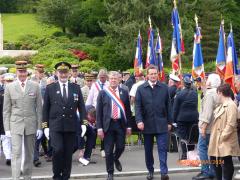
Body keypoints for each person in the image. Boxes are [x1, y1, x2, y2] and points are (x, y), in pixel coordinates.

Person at [42, 61, 86, 180]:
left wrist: (84, 123)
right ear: (57, 73)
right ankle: (57, 176)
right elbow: (45, 109)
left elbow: (82, 107)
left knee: (67, 153)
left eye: (65, 72)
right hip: (55, 126)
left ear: (69, 73)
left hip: (70, 125)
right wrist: (45, 126)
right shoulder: (50, 88)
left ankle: (65, 177)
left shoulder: (75, 88)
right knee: (58, 150)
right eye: (61, 72)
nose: (63, 75)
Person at [3, 60, 43, 180]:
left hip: (31, 124)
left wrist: (39, 127)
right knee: (16, 153)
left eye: (24, 71)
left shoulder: (35, 86)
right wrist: (7, 129)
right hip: (15, 124)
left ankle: (27, 177)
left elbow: (39, 109)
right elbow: (6, 110)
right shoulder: (9, 87)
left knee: (29, 154)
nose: (22, 74)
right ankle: (15, 177)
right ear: (16, 72)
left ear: (27, 72)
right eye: (20, 71)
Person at [135, 65, 172, 180]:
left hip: (162, 124)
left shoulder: (164, 88)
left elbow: (169, 106)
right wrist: (139, 121)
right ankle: (150, 171)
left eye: (155, 73)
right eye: (151, 74)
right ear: (147, 75)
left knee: (162, 149)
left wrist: (170, 122)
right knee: (148, 151)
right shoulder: (141, 89)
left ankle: (163, 173)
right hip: (147, 124)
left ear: (158, 74)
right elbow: (138, 107)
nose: (153, 76)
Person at [96, 71, 131, 180]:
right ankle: (110, 173)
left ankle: (115, 159)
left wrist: (129, 126)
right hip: (108, 125)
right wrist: (99, 128)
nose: (113, 80)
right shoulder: (103, 93)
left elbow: (128, 111)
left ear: (119, 79)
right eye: (111, 78)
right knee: (108, 150)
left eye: (115, 78)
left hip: (120, 124)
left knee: (121, 147)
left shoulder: (124, 92)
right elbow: (99, 112)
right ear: (108, 79)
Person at [208, 83, 240, 180]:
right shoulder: (222, 105)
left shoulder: (231, 105)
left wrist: (222, 137)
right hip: (218, 139)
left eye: (217, 93)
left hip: (225, 140)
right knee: (215, 161)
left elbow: (231, 124)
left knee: (226, 164)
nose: (217, 96)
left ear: (220, 93)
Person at [192, 73, 221, 180]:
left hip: (207, 128)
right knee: (213, 150)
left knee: (202, 149)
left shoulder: (209, 94)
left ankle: (205, 171)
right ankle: (213, 171)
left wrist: (203, 128)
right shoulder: (218, 92)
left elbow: (207, 113)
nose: (206, 80)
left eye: (208, 79)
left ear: (210, 82)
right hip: (215, 127)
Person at [173, 76, 199, 160]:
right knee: (191, 136)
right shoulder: (195, 94)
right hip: (193, 118)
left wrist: (173, 120)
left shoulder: (179, 94)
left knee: (183, 136)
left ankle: (184, 154)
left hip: (182, 118)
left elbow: (175, 108)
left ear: (183, 83)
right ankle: (190, 154)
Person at [0, 73, 15, 166]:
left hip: (9, 119)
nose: (8, 83)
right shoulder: (1, 92)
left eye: (10, 81)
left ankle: (8, 157)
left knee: (7, 139)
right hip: (2, 119)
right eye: (7, 81)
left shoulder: (15, 92)